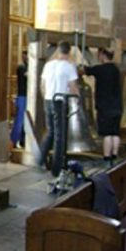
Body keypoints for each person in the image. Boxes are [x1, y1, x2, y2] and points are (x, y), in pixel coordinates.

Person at [39, 41, 78, 169]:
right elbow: (73, 87)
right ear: (69, 52)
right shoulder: (69, 66)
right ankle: (57, 166)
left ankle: (40, 160)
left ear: (58, 51)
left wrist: (46, 97)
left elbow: (43, 85)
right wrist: (78, 99)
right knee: (60, 135)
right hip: (60, 101)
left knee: (50, 131)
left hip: (48, 100)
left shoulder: (48, 65)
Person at [82, 48, 122, 167]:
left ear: (103, 55)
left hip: (105, 106)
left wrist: (78, 68)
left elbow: (84, 70)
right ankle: (115, 156)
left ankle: (106, 158)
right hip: (117, 105)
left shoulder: (100, 69)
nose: (98, 57)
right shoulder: (115, 69)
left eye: (98, 55)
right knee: (115, 133)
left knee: (107, 134)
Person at [9, 51, 28, 149]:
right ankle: (12, 141)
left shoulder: (27, 66)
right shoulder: (21, 67)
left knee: (26, 121)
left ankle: (22, 141)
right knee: (20, 120)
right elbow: (28, 75)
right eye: (25, 54)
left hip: (26, 96)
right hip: (22, 96)